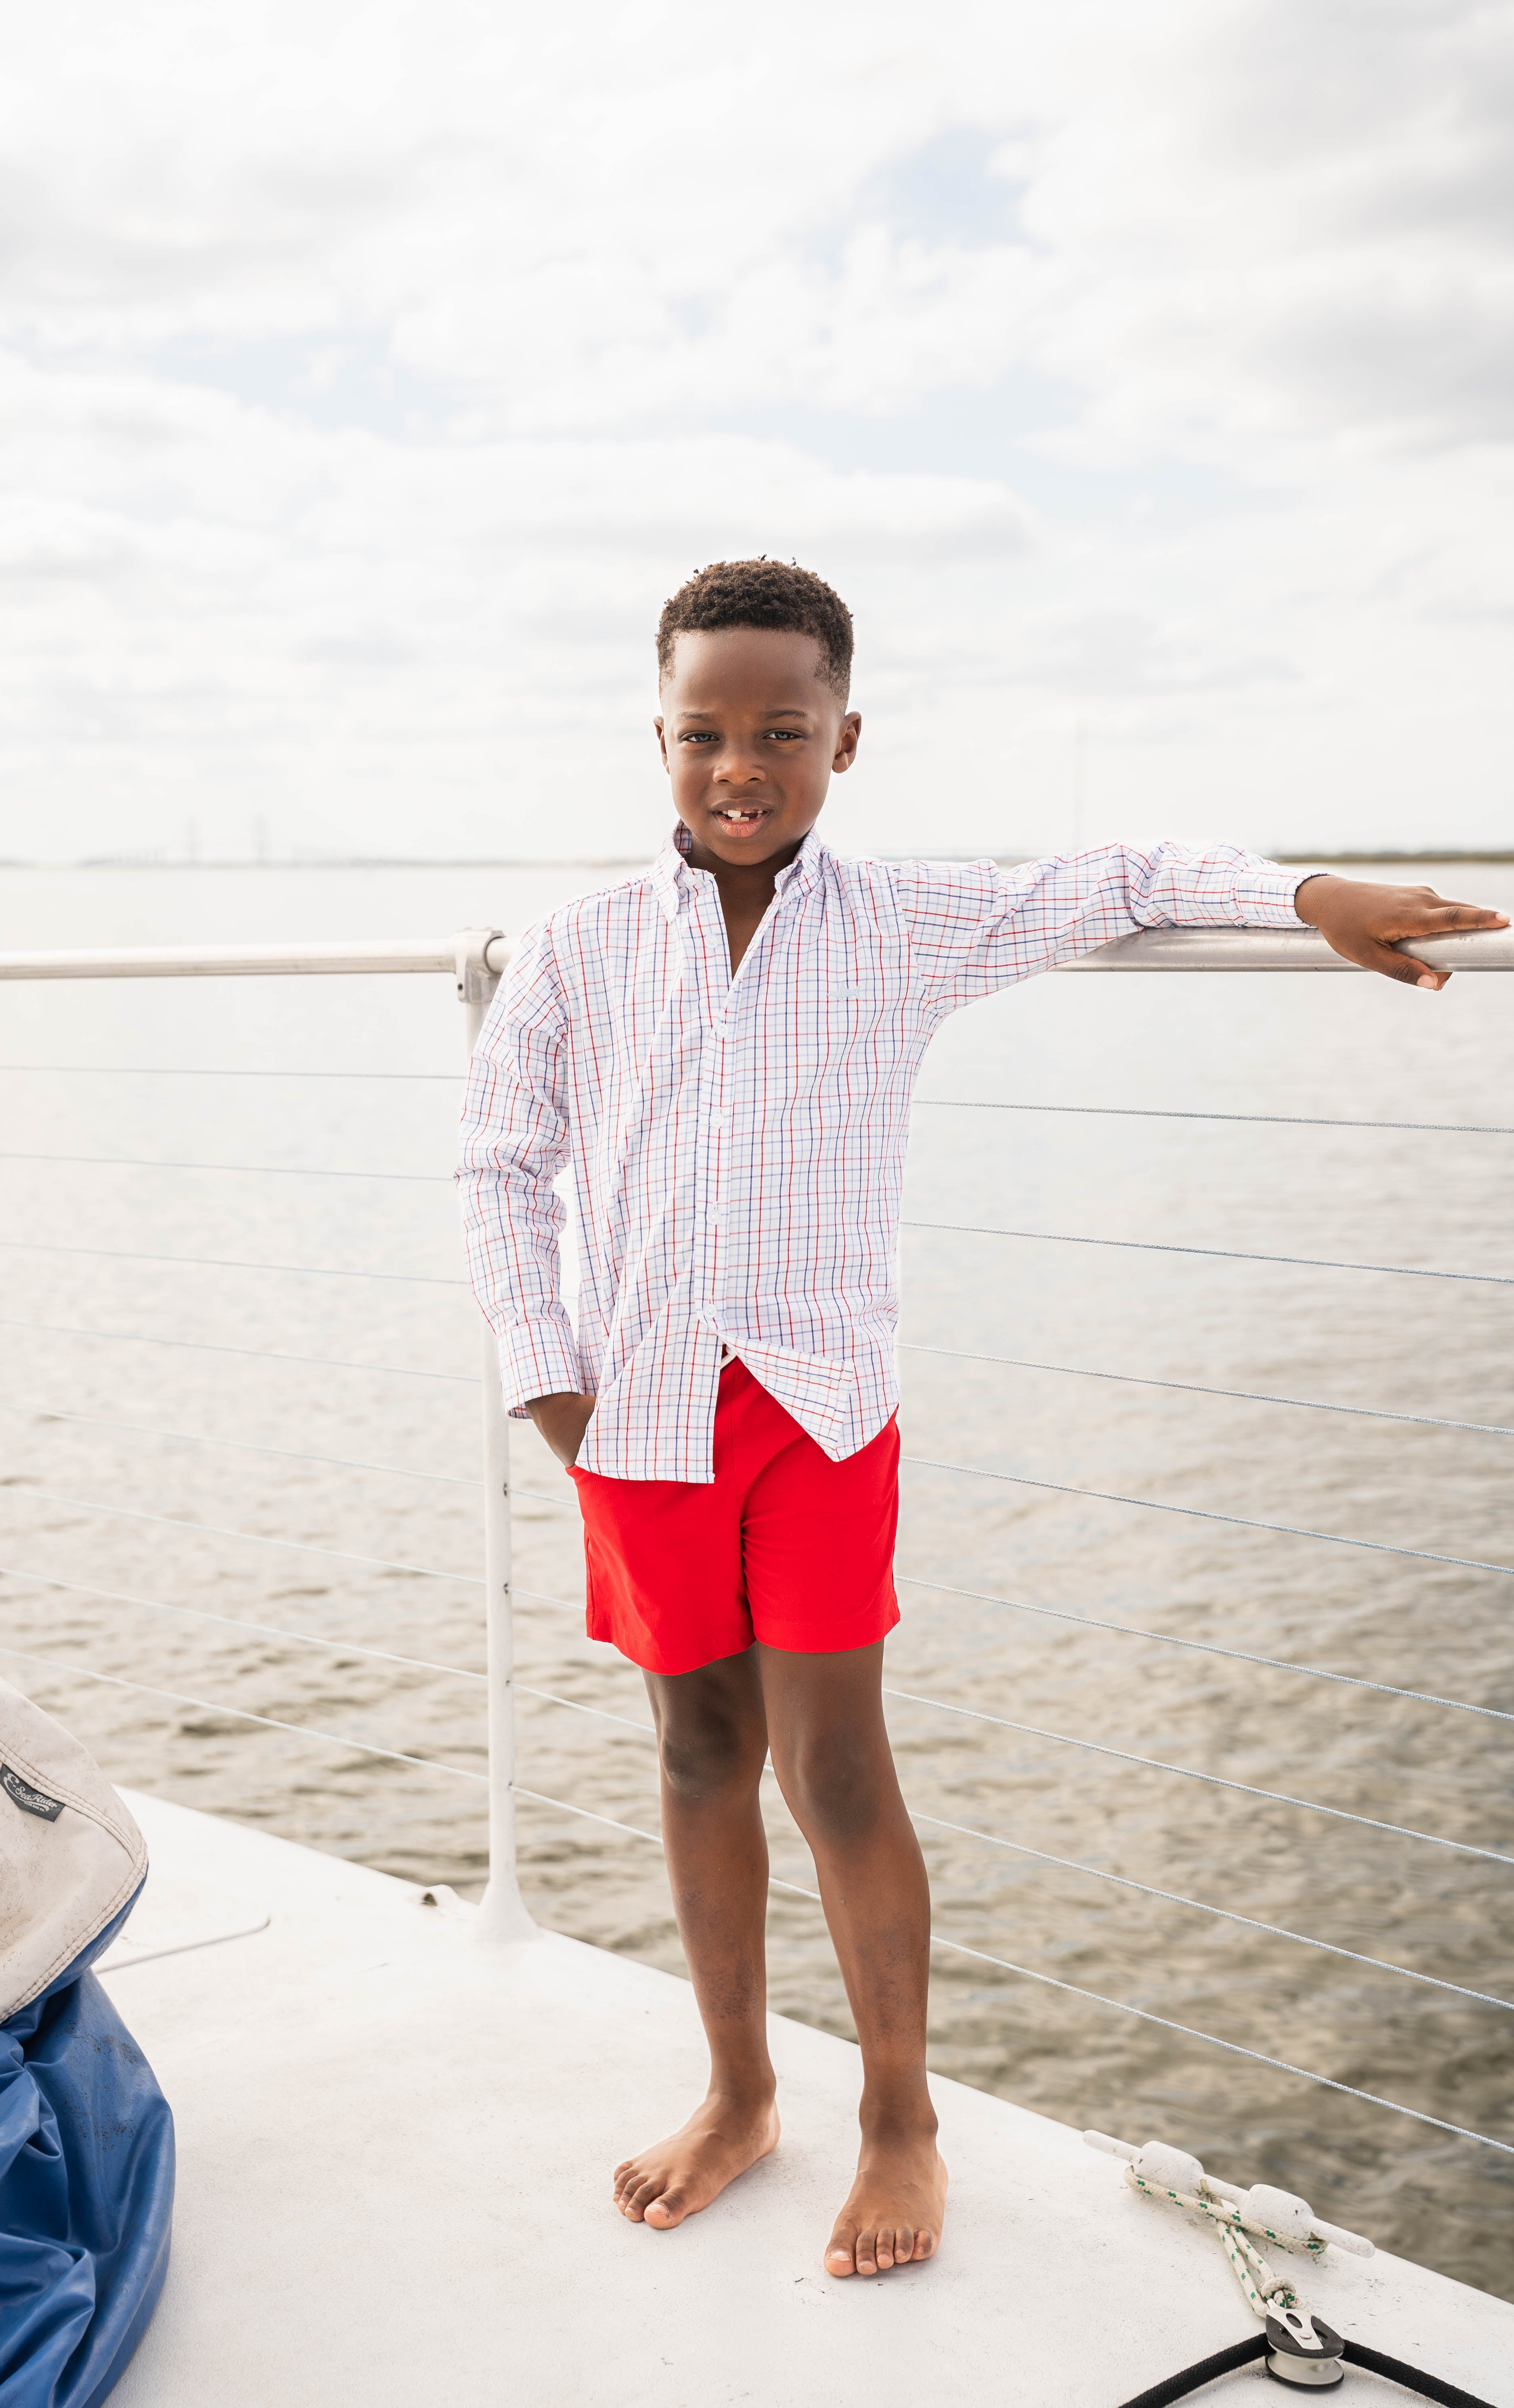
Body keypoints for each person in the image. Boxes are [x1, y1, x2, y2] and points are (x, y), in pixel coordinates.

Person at [455, 558, 1506, 2281]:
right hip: (631, 1418)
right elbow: (502, 1164)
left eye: (782, 731)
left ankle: (899, 2115)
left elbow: (1125, 874)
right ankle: (738, 2091)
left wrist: (1311, 889)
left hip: (819, 1412)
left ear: (845, 739)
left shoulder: (906, 924)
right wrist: (546, 1373)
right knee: (697, 1751)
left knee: (839, 1765)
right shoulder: (575, 949)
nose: (743, 766)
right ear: (656, 739)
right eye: (705, 733)